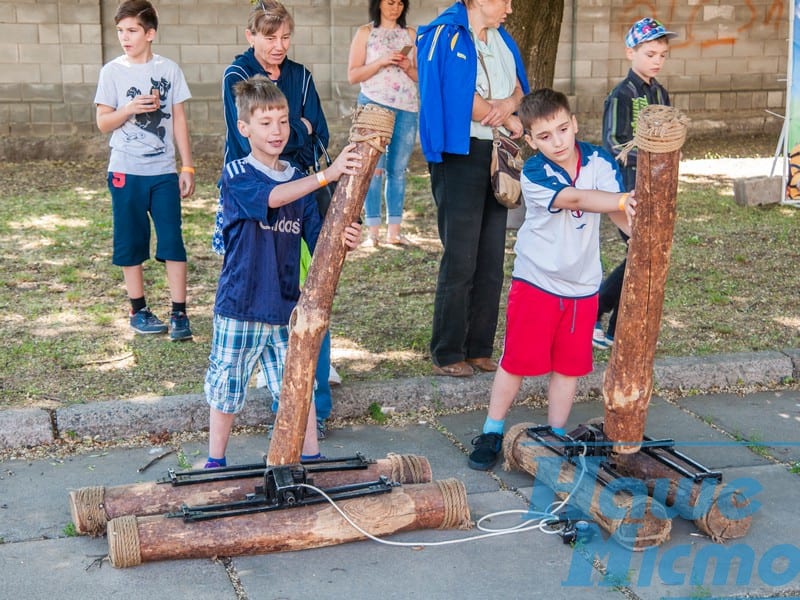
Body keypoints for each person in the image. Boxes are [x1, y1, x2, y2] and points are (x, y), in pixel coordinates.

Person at [467, 89, 637, 470]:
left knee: (569, 367)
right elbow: (577, 200)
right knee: (516, 362)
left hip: (583, 286)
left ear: (574, 123)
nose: (557, 142)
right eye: (544, 136)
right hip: (537, 282)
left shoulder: (599, 161)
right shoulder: (535, 172)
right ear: (529, 140)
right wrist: (625, 200)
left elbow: (616, 212)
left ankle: (556, 436)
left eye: (563, 129)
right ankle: (493, 430)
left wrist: (637, 236)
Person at [204, 76, 362, 468]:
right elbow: (272, 198)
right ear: (244, 129)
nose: (277, 131)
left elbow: (320, 236)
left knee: (297, 387)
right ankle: (214, 462)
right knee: (226, 386)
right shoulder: (238, 174)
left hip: (285, 309)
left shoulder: (297, 177)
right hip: (239, 306)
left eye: (283, 120)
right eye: (265, 122)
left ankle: (310, 458)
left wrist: (346, 236)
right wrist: (328, 175)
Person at [212, 0, 339, 434]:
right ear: (251, 37)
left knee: (307, 291)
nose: (279, 46)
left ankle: (313, 405)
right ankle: (277, 407)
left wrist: (299, 140)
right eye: (269, 37)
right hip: (257, 202)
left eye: (285, 37)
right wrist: (295, 131)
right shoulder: (238, 76)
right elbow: (248, 136)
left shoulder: (301, 76)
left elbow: (317, 133)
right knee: (255, 289)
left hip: (300, 196)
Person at [416, 0, 529, 378]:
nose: (510, 8)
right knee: (461, 257)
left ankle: (480, 347)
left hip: (495, 153)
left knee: (491, 257)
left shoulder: (501, 39)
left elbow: (518, 86)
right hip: (459, 154)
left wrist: (509, 106)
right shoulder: (444, 34)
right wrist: (500, 115)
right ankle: (448, 351)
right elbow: (453, 93)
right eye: (504, 0)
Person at [94, 0, 195, 341]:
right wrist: (128, 109)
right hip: (125, 171)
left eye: (132, 30)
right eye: (120, 30)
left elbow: (179, 119)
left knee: (172, 241)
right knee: (131, 241)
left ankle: (179, 313)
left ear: (150, 33)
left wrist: (187, 165)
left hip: (164, 172)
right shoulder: (111, 72)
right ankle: (138, 310)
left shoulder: (169, 70)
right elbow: (103, 123)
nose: (125, 37)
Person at [594, 16, 676, 350]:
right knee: (639, 254)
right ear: (631, 52)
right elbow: (614, 142)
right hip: (628, 189)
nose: (656, 60)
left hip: (657, 190)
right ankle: (598, 313)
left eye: (662, 55)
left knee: (644, 256)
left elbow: (669, 137)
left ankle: (613, 327)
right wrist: (647, 158)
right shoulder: (620, 95)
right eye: (650, 53)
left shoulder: (661, 93)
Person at [347, 0, 419, 247]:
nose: (395, 7)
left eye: (400, 3)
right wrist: (381, 61)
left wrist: (407, 66)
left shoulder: (410, 34)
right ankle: (372, 231)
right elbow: (353, 74)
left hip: (407, 107)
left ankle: (394, 231)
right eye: (390, 1)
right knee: (373, 170)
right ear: (378, 4)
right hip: (374, 105)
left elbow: (421, 76)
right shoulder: (366, 32)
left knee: (397, 170)